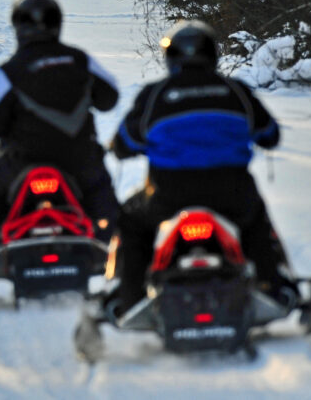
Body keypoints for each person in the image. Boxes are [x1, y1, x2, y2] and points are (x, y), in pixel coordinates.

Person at [106, 19, 297, 317]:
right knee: (256, 221)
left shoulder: (155, 95)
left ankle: (130, 300)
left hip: (168, 197)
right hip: (232, 194)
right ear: (212, 54)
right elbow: (270, 134)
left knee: (131, 220)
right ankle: (271, 288)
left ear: (171, 57)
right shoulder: (236, 92)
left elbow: (125, 143)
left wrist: (127, 148)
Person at [0, 0, 120, 272]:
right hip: (79, 159)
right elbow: (110, 96)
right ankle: (111, 244)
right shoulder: (80, 60)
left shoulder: (10, 71)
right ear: (57, 23)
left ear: (18, 25)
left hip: (22, 162)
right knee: (99, 187)